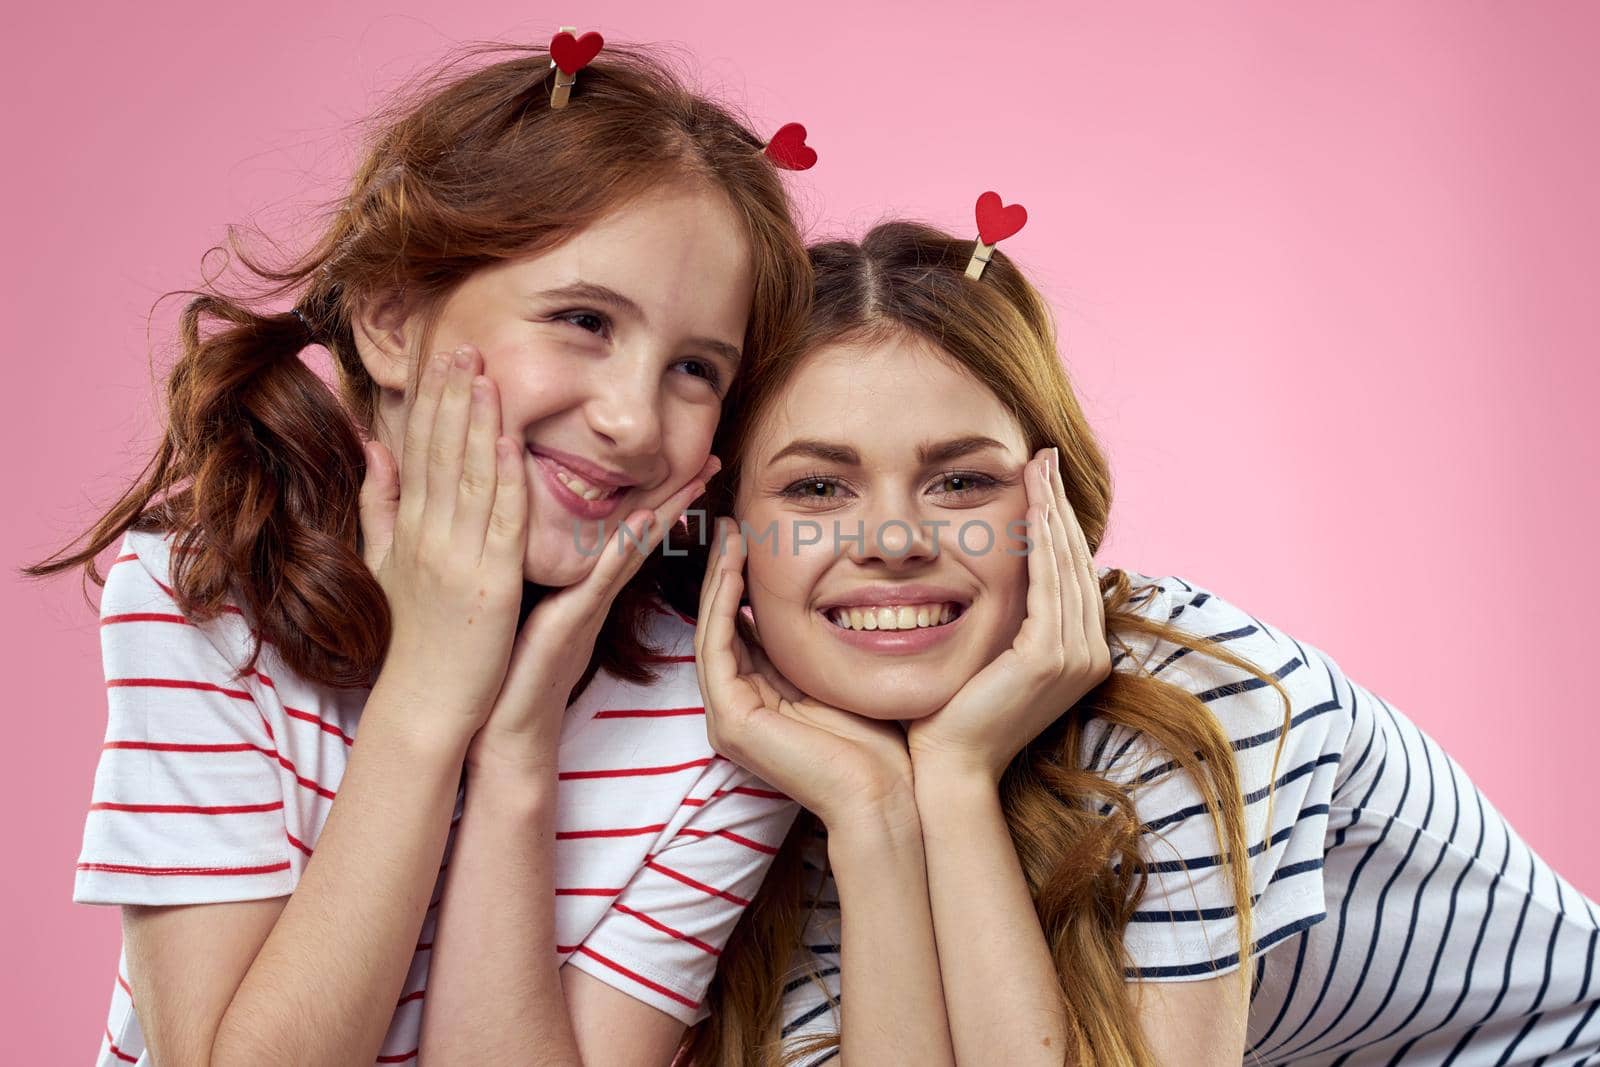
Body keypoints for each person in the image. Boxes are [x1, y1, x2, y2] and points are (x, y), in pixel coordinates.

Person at [29, 40, 813, 1067]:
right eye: (582, 320)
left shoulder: (719, 729)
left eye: (695, 369)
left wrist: (517, 755)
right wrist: (425, 701)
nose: (630, 417)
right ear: (393, 318)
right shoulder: (207, 607)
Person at [675, 221, 1600, 1065]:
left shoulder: (1196, 687)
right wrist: (875, 819)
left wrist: (956, 780)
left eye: (961, 482)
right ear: (727, 531)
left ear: (1053, 508)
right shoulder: (771, 774)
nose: (894, 539)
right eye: (816, 490)